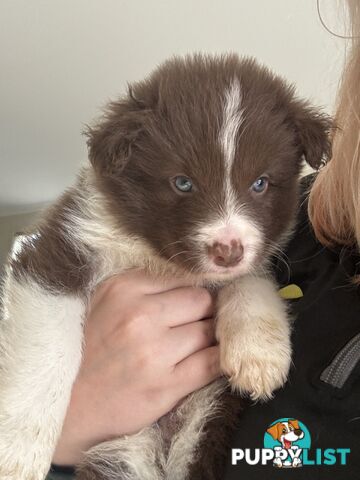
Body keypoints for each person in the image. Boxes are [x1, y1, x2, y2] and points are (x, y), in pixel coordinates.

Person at [48, 1, 360, 478]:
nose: (229, 235)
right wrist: (66, 428)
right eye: (185, 185)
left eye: (259, 186)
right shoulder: (306, 221)